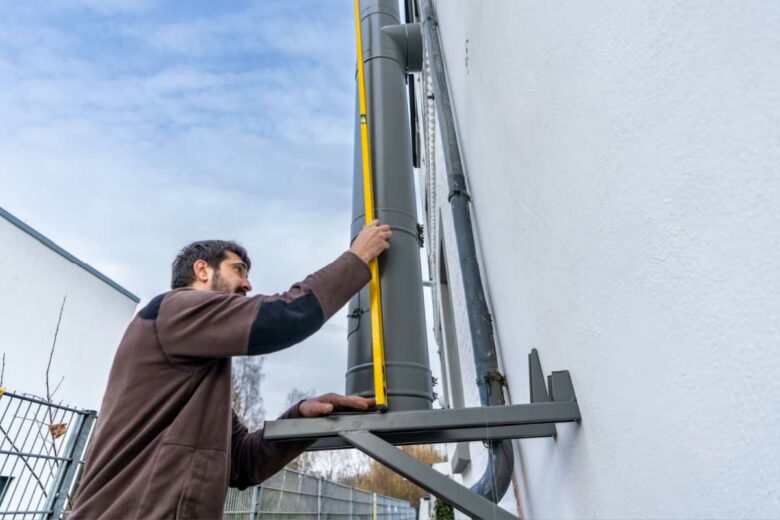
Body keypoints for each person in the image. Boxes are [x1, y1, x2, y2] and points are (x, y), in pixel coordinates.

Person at [69, 220, 392, 519]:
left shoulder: (199, 372)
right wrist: (356, 259)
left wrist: (300, 417)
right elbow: (284, 317)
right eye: (238, 270)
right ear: (202, 270)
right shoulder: (174, 308)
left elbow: (244, 462)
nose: (248, 284)